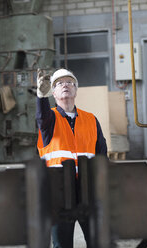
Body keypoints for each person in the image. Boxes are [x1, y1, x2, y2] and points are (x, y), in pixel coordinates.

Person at [36, 68, 107, 248]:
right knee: (62, 244)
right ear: (53, 92)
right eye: (59, 83)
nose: (65, 85)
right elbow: (41, 116)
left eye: (69, 82)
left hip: (88, 189)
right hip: (59, 191)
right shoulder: (49, 119)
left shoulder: (91, 120)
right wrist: (40, 96)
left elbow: (101, 154)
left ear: (76, 90)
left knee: (97, 242)